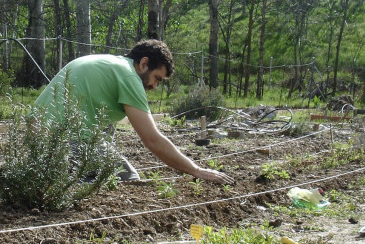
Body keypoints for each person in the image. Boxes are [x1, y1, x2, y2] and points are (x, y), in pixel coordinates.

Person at [34, 39, 234, 184]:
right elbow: (152, 140)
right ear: (144, 63)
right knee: (128, 178)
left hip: (36, 138)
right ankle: (65, 185)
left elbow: (103, 130)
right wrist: (196, 170)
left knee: (104, 143)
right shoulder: (130, 77)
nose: (155, 87)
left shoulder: (109, 65)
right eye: (157, 78)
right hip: (65, 141)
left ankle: (54, 176)